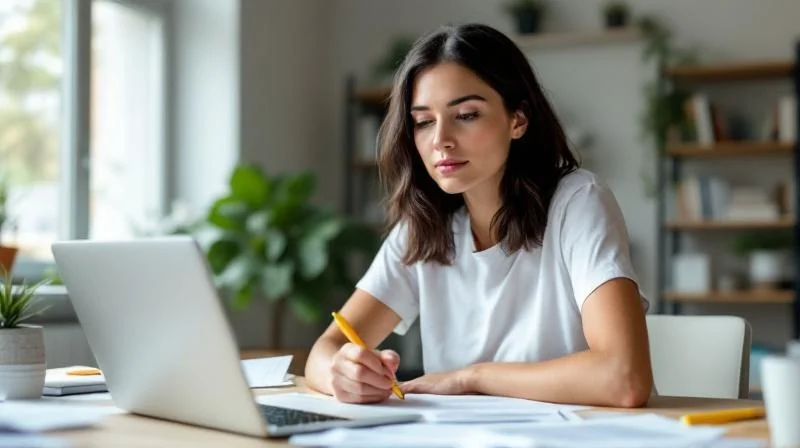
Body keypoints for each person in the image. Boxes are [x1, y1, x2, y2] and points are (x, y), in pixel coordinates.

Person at [305, 22, 653, 408]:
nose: (440, 140)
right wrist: (344, 374)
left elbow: (624, 378)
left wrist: (470, 377)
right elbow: (326, 351)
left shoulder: (579, 201)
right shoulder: (423, 226)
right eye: (422, 122)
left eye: (466, 114)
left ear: (517, 120)